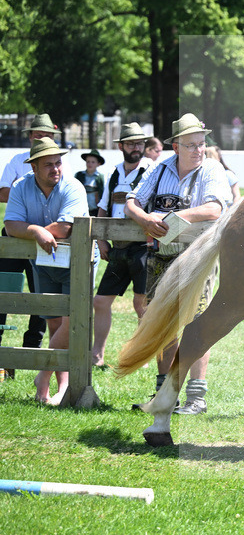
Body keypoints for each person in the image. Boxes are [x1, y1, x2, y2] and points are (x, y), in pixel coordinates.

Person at [126, 113, 231, 415]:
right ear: (176, 147)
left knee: (197, 323)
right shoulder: (159, 170)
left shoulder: (211, 169)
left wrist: (177, 218)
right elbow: (132, 200)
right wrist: (144, 218)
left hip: (198, 257)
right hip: (161, 258)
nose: (200, 149)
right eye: (192, 145)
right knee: (162, 322)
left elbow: (215, 207)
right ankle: (163, 393)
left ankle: (196, 398)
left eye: (201, 143)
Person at [3, 136, 89, 404]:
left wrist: (28, 230)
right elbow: (9, 226)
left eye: (58, 163)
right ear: (34, 168)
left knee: (70, 319)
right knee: (54, 322)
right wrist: (36, 230)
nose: (56, 169)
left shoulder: (73, 187)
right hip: (44, 263)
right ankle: (57, 388)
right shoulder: (20, 187)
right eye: (49, 165)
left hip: (77, 262)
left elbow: (65, 229)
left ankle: (42, 374)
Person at [90, 123, 153, 368]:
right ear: (121, 146)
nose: (136, 147)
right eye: (131, 143)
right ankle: (97, 354)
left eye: (139, 143)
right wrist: (101, 239)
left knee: (142, 303)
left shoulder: (152, 171)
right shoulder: (113, 173)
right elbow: (103, 208)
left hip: (143, 247)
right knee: (101, 301)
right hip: (118, 248)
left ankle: (142, 353)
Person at [0, 114, 58, 372]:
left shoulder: (56, 165)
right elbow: (1, 193)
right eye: (37, 134)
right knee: (4, 290)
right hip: (14, 234)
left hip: (44, 234)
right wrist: (30, 197)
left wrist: (21, 197)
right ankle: (1, 354)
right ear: (30, 136)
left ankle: (31, 349)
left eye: (46, 134)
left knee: (41, 293)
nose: (41, 137)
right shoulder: (16, 160)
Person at [74, 148, 105, 217]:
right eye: (88, 161)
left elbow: (102, 194)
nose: (90, 164)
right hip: (80, 209)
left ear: (98, 164)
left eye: (93, 162)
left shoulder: (99, 178)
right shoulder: (79, 175)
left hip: (94, 210)